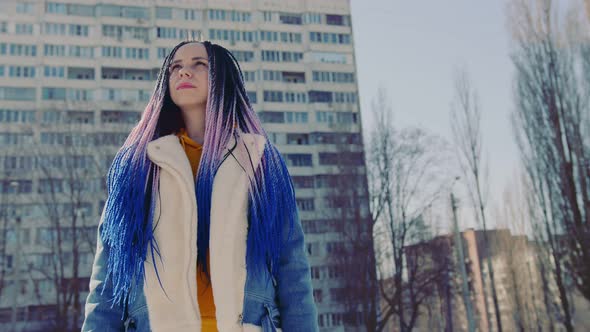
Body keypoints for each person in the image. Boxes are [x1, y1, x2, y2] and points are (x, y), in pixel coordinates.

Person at [82, 40, 318, 332]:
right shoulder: (138, 170)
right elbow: (107, 283)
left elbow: (293, 272)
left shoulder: (259, 163)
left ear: (223, 77)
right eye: (175, 67)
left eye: (199, 64)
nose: (184, 72)